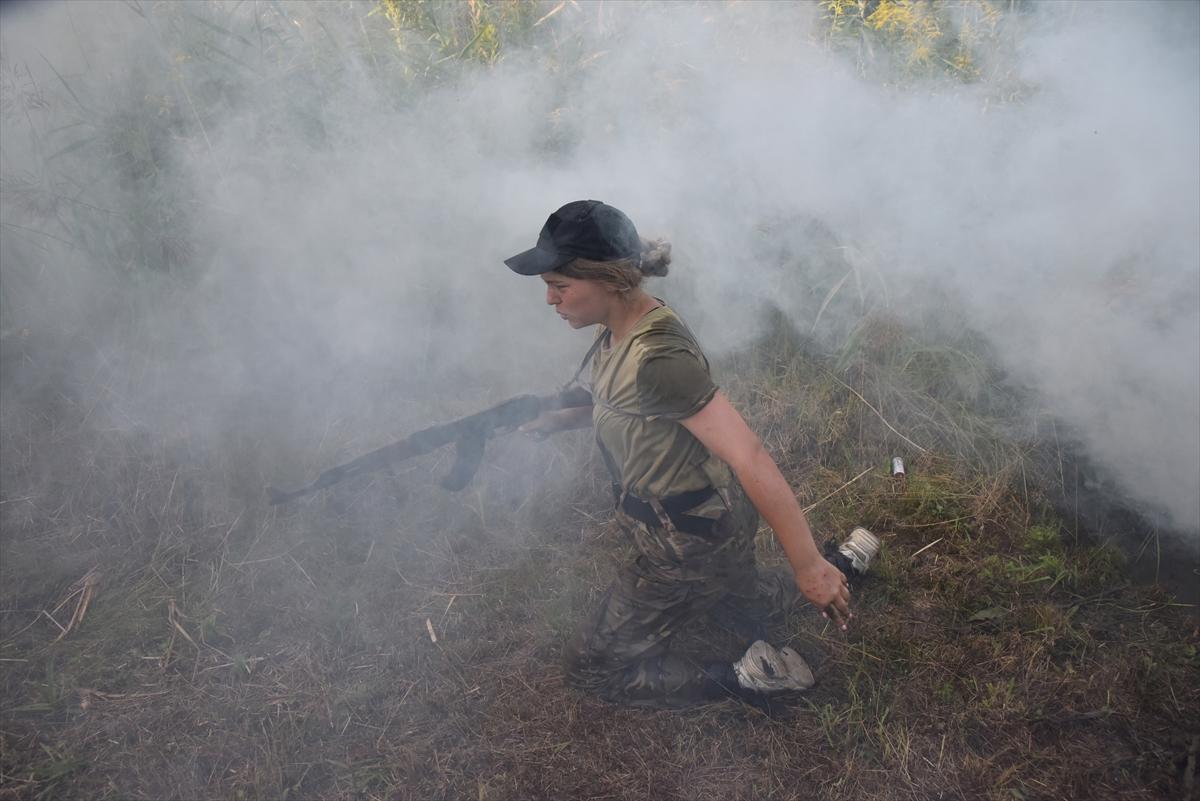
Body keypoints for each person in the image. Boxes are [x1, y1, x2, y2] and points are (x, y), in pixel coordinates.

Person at [504, 200, 880, 708]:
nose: (550, 299)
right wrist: (557, 419)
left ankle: (752, 675)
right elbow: (623, 403)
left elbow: (750, 456)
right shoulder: (617, 329)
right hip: (702, 526)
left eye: (560, 285)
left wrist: (807, 564)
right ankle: (845, 564)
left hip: (685, 546)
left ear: (610, 279)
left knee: (591, 670)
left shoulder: (658, 357)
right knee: (737, 601)